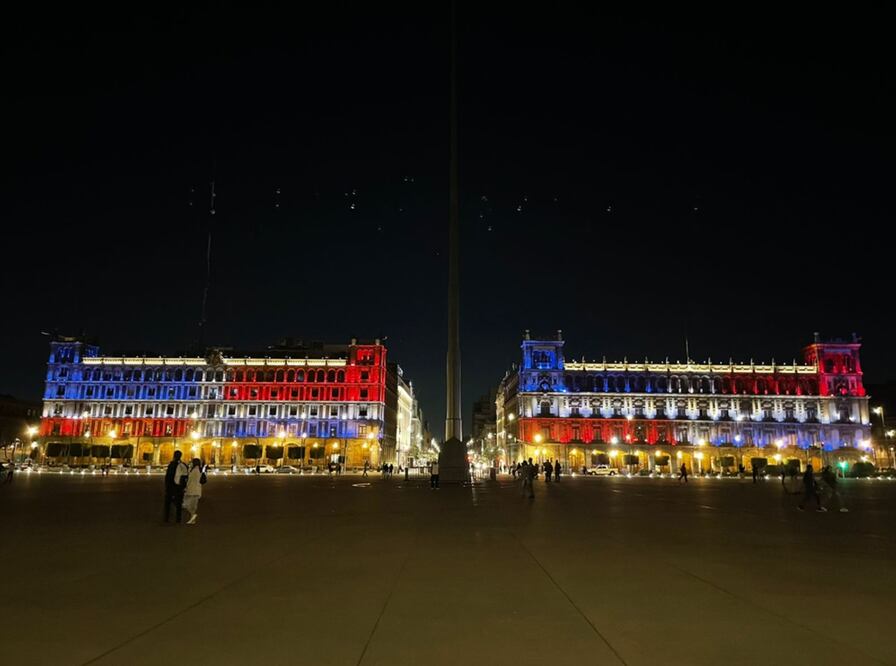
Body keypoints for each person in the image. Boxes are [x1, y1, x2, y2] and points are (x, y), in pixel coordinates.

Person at [164, 451, 189, 523]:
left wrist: (167, 486)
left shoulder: (171, 464)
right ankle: (178, 519)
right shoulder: (183, 465)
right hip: (179, 487)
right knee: (179, 504)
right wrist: (184, 487)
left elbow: (168, 477)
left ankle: (166, 518)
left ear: (174, 456)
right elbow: (186, 476)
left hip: (170, 487)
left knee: (168, 504)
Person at [183, 458, 205, 525]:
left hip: (192, 489)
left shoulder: (195, 470)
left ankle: (193, 515)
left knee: (186, 504)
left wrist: (185, 487)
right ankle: (192, 519)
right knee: (193, 506)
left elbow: (190, 480)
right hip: (197, 490)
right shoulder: (199, 470)